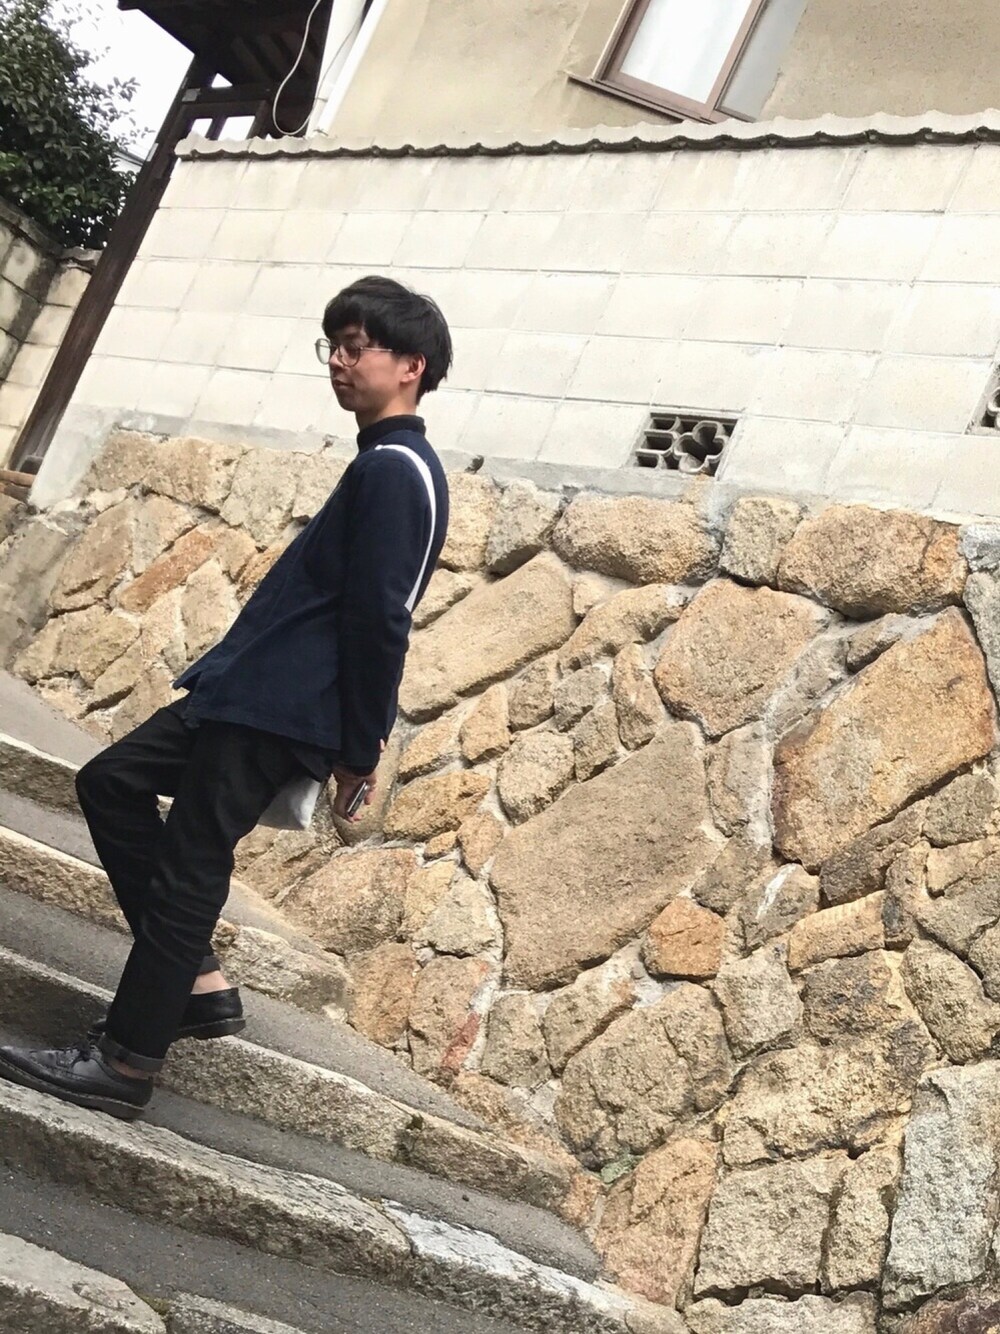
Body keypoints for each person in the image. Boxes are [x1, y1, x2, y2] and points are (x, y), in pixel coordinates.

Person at [0, 275, 452, 1120]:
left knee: (192, 864)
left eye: (357, 347)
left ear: (411, 366)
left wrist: (361, 746)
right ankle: (197, 984)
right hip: (245, 693)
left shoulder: (399, 471)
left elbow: (380, 619)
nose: (339, 361)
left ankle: (124, 1062)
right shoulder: (382, 464)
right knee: (111, 783)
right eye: (333, 346)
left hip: (278, 707)